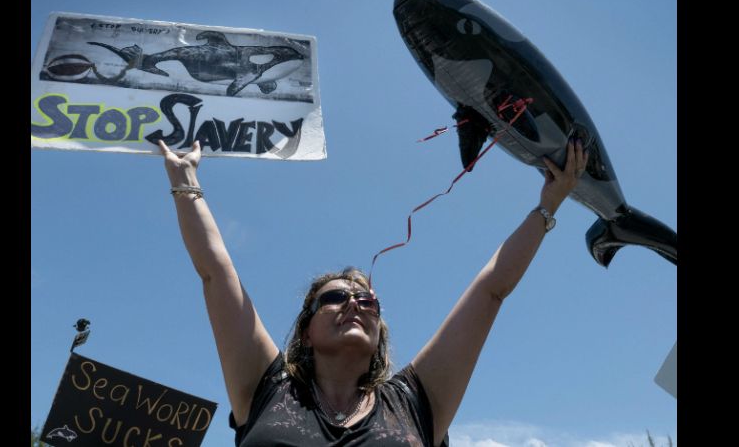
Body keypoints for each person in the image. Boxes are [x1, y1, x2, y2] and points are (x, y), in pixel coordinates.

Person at [157, 138, 589, 447]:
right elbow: (216, 273)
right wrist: (185, 180)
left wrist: (548, 206)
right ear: (305, 332)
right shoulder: (268, 388)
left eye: (368, 302)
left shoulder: (417, 402)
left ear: (380, 331)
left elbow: (490, 292)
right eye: (334, 298)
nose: (353, 304)